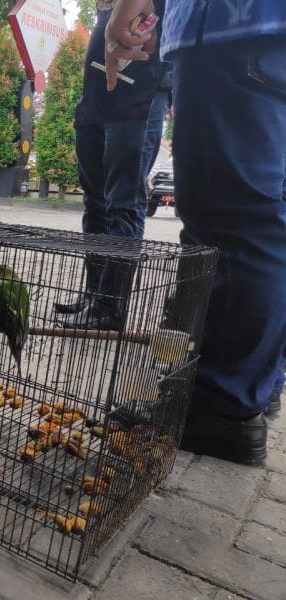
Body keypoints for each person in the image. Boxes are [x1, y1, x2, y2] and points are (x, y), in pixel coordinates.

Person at [105, 0, 286, 465]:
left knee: (229, 221)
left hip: (238, 25)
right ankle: (259, 382)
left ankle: (220, 404)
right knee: (270, 217)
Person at [55, 0, 167, 330]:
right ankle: (94, 294)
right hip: (95, 96)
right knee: (95, 203)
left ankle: (109, 306)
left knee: (123, 204)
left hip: (140, 97)